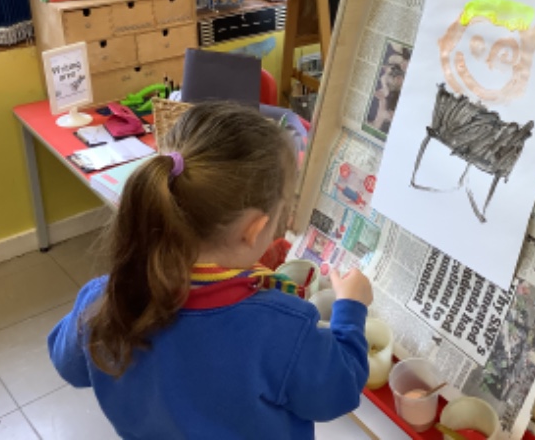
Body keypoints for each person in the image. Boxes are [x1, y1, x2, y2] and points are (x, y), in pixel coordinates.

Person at [48, 102, 373, 439]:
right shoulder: (284, 327)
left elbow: (68, 365)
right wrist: (351, 309)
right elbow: (341, 388)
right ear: (253, 230)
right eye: (281, 214)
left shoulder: (104, 299)